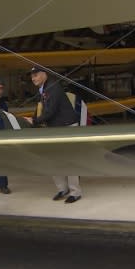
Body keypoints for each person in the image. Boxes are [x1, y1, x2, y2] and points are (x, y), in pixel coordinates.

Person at [23, 66, 82, 203]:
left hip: (67, 127)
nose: (33, 78)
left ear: (44, 74)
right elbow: (43, 109)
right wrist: (35, 119)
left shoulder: (53, 88)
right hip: (55, 128)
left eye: (36, 75)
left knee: (70, 160)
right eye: (32, 76)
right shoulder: (44, 89)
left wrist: (34, 121)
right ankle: (63, 189)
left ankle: (75, 192)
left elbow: (50, 111)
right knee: (53, 160)